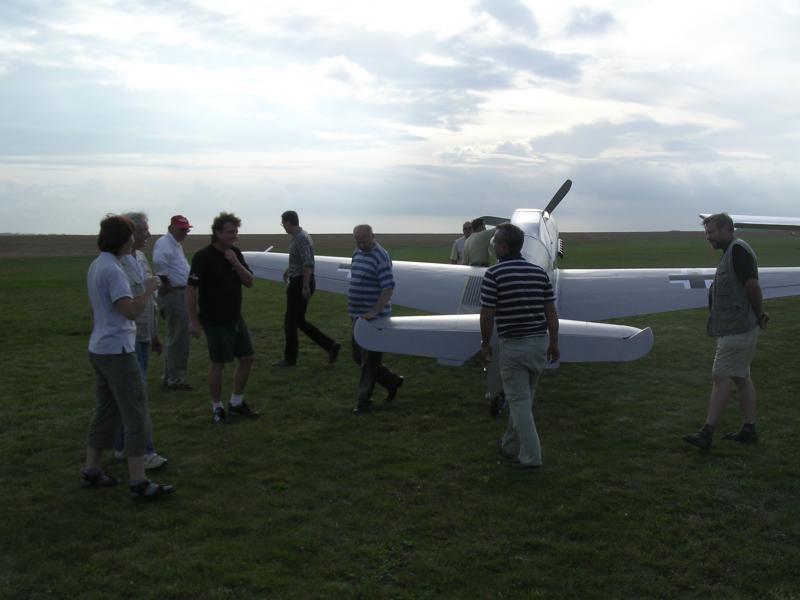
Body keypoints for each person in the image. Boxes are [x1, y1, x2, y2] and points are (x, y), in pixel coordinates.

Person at [81, 214, 174, 499]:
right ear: (123, 239)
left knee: (106, 412)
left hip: (99, 348)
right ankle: (138, 481)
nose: (135, 239)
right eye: (132, 235)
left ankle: (91, 470)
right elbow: (130, 311)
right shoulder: (113, 271)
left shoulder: (97, 265)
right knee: (136, 413)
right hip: (118, 351)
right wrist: (148, 290)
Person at [683, 213, 769, 451]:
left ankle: (707, 432)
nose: (708, 237)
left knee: (720, 376)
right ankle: (749, 430)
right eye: (706, 232)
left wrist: (759, 314)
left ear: (727, 229)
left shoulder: (738, 250)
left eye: (711, 232)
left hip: (738, 328)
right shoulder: (732, 251)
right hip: (737, 326)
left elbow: (752, 286)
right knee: (741, 377)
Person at [480, 222, 559, 469]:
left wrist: (485, 343)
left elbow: (487, 314)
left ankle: (532, 458)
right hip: (539, 345)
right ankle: (509, 444)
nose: (493, 245)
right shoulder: (540, 274)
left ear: (504, 247)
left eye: (495, 242)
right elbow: (551, 312)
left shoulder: (493, 274)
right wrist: (554, 343)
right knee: (524, 399)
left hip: (514, 347)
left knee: (520, 404)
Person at [187, 212, 258, 424]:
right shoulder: (203, 257)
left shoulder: (234, 253)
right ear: (217, 233)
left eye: (236, 232)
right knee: (218, 363)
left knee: (247, 357)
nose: (234, 235)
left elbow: (249, 282)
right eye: (229, 232)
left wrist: (236, 262)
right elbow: (190, 290)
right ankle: (217, 407)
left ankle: (236, 402)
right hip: (214, 320)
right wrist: (193, 320)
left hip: (235, 317)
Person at [112, 212, 168, 470]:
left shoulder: (142, 258)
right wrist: (149, 289)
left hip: (144, 335)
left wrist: (154, 334)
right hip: (128, 338)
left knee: (132, 395)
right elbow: (131, 303)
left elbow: (150, 303)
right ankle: (144, 452)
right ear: (130, 232)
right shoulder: (117, 264)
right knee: (137, 397)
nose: (148, 234)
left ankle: (122, 446)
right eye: (144, 230)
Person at [348, 224, 404, 414]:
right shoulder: (357, 252)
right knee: (358, 357)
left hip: (374, 319)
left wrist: (375, 311)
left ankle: (363, 402)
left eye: (364, 241)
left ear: (373, 236)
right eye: (357, 241)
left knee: (369, 362)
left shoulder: (381, 256)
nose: (361, 245)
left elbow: (388, 287)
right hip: (357, 315)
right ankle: (392, 381)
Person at [274, 210, 341, 367]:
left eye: (283, 223)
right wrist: (288, 270)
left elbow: (308, 263)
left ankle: (290, 360)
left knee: (290, 321)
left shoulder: (301, 238)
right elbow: (301, 259)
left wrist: (305, 286)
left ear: (289, 222)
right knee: (299, 320)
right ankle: (331, 346)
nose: (283, 226)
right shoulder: (298, 237)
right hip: (299, 280)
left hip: (300, 283)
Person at [152, 215, 193, 390]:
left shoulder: (174, 244)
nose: (185, 232)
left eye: (187, 229)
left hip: (179, 292)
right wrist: (166, 283)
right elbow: (159, 262)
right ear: (171, 228)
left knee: (175, 336)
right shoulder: (165, 243)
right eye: (182, 229)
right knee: (179, 337)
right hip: (175, 294)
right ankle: (176, 379)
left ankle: (170, 377)